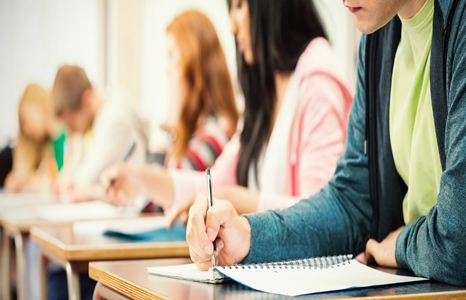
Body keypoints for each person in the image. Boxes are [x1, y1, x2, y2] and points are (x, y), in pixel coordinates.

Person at [185, 0, 466, 287]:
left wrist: (397, 245)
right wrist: (248, 236)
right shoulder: (377, 41)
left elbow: (458, 241)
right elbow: (350, 204)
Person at [101, 0, 353, 219]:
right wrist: (140, 179)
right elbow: (215, 183)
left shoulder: (318, 84)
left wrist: (230, 198)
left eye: (240, 6)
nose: (232, 26)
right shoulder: (265, 95)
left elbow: (320, 215)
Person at [149, 10, 239, 171]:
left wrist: (169, 125)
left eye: (171, 55)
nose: (167, 69)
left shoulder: (216, 133)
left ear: (192, 61)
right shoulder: (195, 130)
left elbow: (152, 194)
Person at [51, 65, 150, 199]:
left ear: (87, 99)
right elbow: (68, 178)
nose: (71, 132)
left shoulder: (113, 116)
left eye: (72, 123)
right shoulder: (90, 123)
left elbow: (82, 181)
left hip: (139, 208)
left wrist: (67, 183)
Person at [4, 83, 66, 193]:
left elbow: (62, 182)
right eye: (23, 123)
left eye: (27, 119)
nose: (27, 128)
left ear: (39, 106)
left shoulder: (64, 137)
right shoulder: (39, 146)